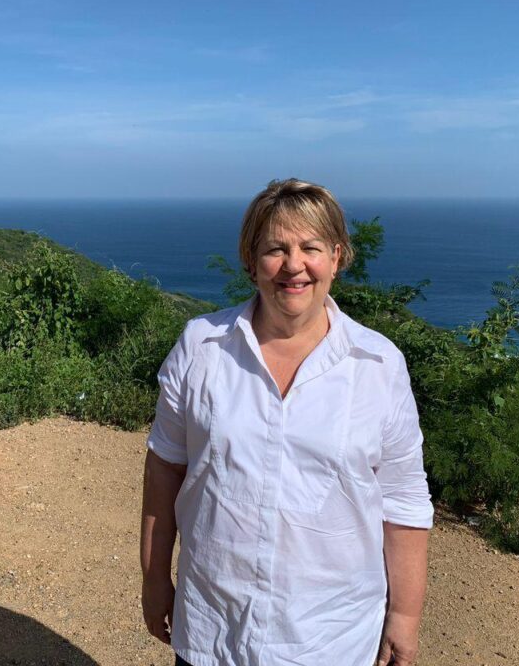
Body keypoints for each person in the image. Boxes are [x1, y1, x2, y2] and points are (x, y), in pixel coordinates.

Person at [140, 179, 433, 666]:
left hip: (330, 640)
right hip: (215, 628)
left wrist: (405, 616)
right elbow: (164, 468)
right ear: (251, 261)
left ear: (336, 258)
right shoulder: (200, 348)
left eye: (311, 248)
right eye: (276, 248)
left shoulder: (379, 365)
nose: (294, 265)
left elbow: (403, 502)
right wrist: (153, 579)